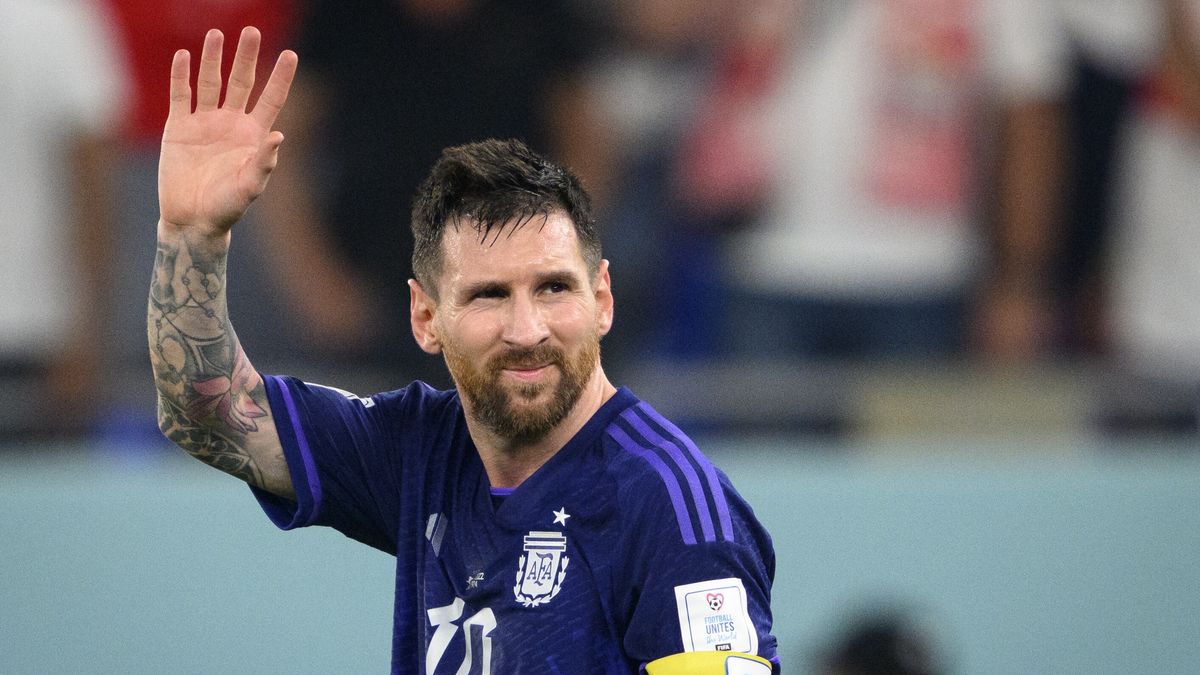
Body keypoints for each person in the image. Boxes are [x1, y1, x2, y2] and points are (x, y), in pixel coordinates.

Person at [147, 27, 779, 673]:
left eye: (554, 287)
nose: (528, 328)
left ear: (603, 299)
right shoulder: (420, 448)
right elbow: (209, 415)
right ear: (426, 316)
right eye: (488, 296)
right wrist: (192, 235)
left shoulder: (669, 504)